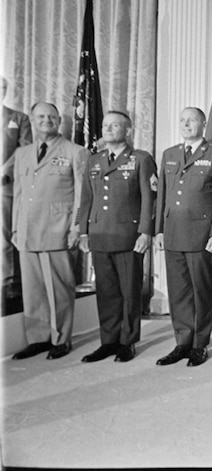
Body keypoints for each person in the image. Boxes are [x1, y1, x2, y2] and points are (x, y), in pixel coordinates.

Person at [155, 107, 212, 367]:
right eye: (182, 120)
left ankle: (200, 344)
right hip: (174, 234)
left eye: (192, 120)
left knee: (201, 292)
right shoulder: (169, 155)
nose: (186, 124)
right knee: (178, 293)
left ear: (204, 123)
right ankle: (182, 342)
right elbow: (162, 197)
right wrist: (159, 230)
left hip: (201, 237)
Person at [11, 102, 89, 359]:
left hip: (58, 230)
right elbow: (19, 195)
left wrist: (76, 228)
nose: (47, 120)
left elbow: (81, 196)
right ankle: (38, 338)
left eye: (52, 117)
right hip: (27, 230)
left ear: (59, 121)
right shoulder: (22, 153)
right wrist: (14, 228)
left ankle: (60, 338)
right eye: (41, 116)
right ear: (32, 120)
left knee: (59, 289)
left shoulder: (74, 152)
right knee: (32, 290)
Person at [77, 111, 156, 363]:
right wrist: (82, 231)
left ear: (128, 130)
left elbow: (149, 199)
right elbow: (86, 199)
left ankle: (127, 341)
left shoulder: (141, 159)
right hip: (100, 234)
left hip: (128, 236)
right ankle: (108, 341)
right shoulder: (94, 160)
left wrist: (145, 232)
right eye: (105, 125)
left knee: (129, 291)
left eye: (115, 125)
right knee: (106, 291)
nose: (108, 129)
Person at [2, 77, 32, 312]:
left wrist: (5, 170)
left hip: (5, 185)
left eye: (2, 88)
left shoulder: (18, 118)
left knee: (4, 237)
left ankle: (8, 282)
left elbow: (25, 149)